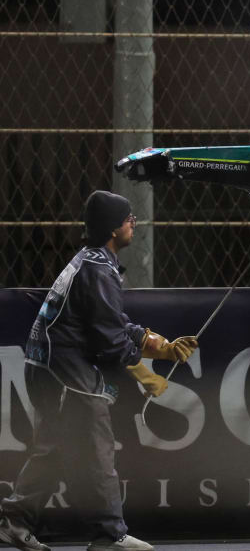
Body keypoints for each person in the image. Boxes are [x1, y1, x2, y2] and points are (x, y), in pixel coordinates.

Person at [0, 191, 197, 551]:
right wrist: (147, 376)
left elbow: (115, 324)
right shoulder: (97, 269)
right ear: (112, 228)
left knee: (56, 448)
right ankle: (110, 536)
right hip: (62, 372)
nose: (133, 223)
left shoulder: (93, 262)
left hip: (49, 367)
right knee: (96, 448)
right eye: (127, 218)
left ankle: (15, 520)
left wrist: (164, 347)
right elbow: (109, 339)